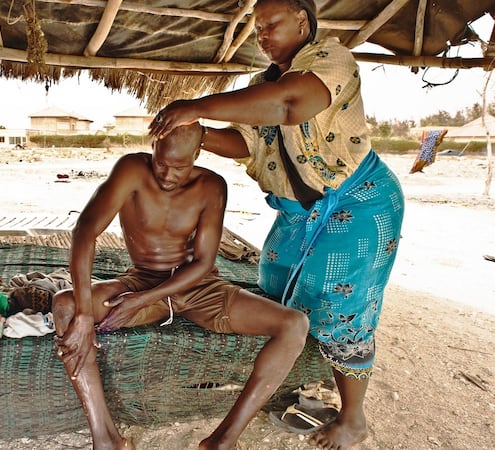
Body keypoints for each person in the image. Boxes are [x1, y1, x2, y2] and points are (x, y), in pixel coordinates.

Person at [148, 1, 405, 449]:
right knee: (276, 281)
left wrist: (196, 105)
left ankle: (352, 418)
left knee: (340, 305)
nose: (262, 35)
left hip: (358, 203)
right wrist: (201, 135)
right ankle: (301, 372)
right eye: (257, 28)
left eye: (271, 25)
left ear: (302, 21)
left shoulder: (330, 60)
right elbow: (246, 143)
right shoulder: (259, 86)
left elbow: (289, 106)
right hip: (297, 212)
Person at [52, 122, 310, 450]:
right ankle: (107, 439)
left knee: (294, 324)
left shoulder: (212, 186)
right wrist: (86, 315)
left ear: (197, 154)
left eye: (179, 166)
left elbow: (203, 262)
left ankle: (222, 441)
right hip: (143, 278)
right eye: (161, 163)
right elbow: (85, 231)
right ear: (153, 147)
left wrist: (143, 300)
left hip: (200, 287)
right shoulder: (132, 169)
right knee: (66, 306)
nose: (168, 175)